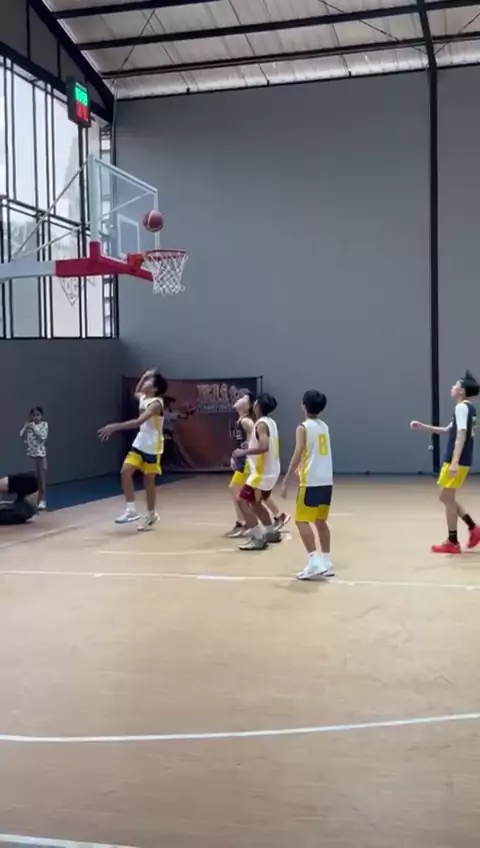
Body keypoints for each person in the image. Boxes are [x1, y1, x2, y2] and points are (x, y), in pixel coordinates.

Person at [410, 370, 480, 554]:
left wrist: (454, 462)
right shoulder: (468, 408)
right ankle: (473, 528)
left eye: (456, 385)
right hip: (461, 459)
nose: (452, 387)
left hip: (456, 459)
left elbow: (461, 434)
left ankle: (453, 541)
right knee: (446, 497)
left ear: (462, 391)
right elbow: (449, 430)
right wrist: (424, 427)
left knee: (447, 498)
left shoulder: (461, 407)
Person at [98, 369, 167, 532]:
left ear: (155, 388)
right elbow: (136, 391)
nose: (145, 384)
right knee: (125, 472)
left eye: (149, 382)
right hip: (140, 443)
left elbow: (138, 422)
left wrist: (114, 427)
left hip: (153, 447)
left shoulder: (156, 404)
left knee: (148, 482)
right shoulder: (144, 398)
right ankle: (131, 510)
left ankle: (151, 514)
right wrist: (145, 376)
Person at [281, 390, 334, 579]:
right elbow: (313, 452)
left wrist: (286, 479)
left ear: (303, 405)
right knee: (320, 521)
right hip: (326, 480)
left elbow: (298, 452)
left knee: (301, 520)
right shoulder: (324, 426)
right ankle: (326, 561)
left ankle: (314, 562)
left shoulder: (303, 427)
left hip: (311, 481)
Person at [226, 391, 289, 538]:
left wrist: (243, 452)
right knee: (256, 502)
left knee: (242, 500)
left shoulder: (259, 424)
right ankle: (270, 531)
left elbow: (264, 446)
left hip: (262, 471)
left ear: (257, 405)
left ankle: (256, 536)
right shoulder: (270, 422)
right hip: (269, 470)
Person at [20, 407, 48, 510]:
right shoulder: (29, 425)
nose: (36, 417)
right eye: (34, 415)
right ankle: (33, 500)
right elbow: (22, 436)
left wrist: (33, 429)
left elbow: (42, 438)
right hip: (31, 455)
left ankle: (42, 500)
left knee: (41, 478)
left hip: (40, 455)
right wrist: (25, 428)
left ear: (41, 416)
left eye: (38, 415)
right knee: (33, 478)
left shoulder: (44, 425)